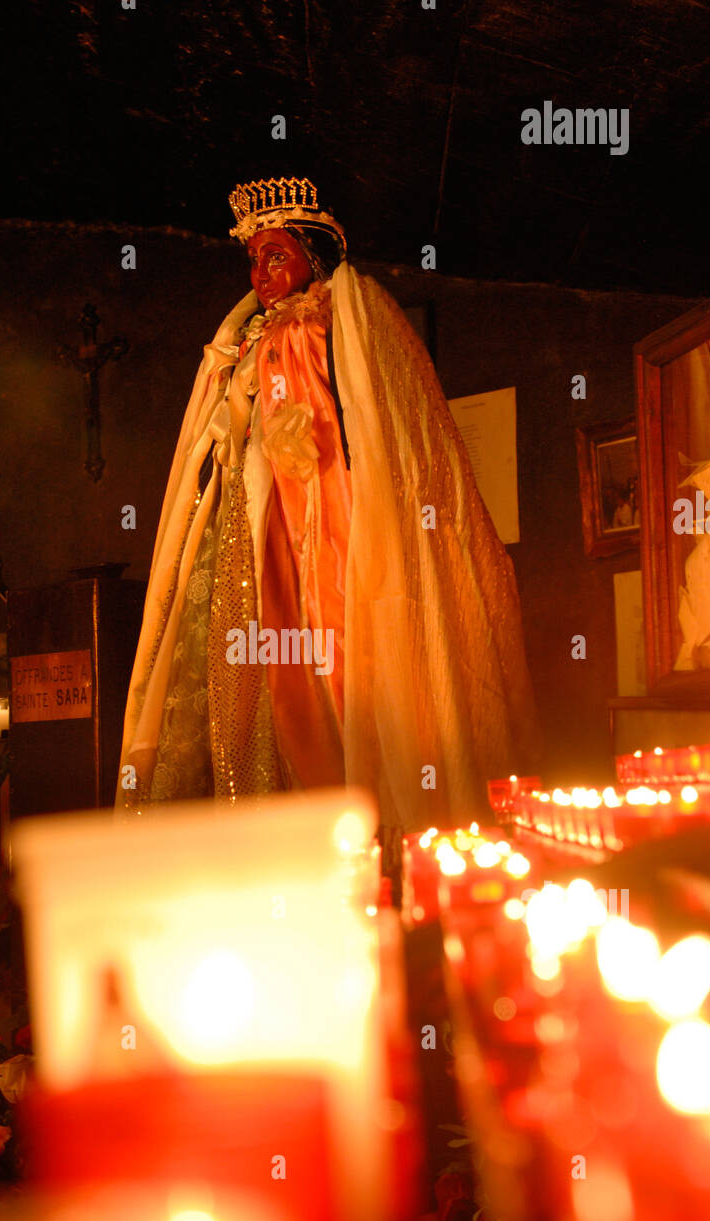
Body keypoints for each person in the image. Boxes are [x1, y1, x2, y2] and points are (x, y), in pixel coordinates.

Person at [116, 176, 539, 868]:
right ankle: (278, 831)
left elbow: (382, 422)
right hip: (261, 518)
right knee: (261, 665)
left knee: (344, 655)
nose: (262, 274)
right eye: (253, 260)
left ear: (312, 256)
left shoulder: (344, 320)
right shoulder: (245, 340)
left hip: (332, 512)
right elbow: (222, 428)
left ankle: (379, 827)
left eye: (275, 256)